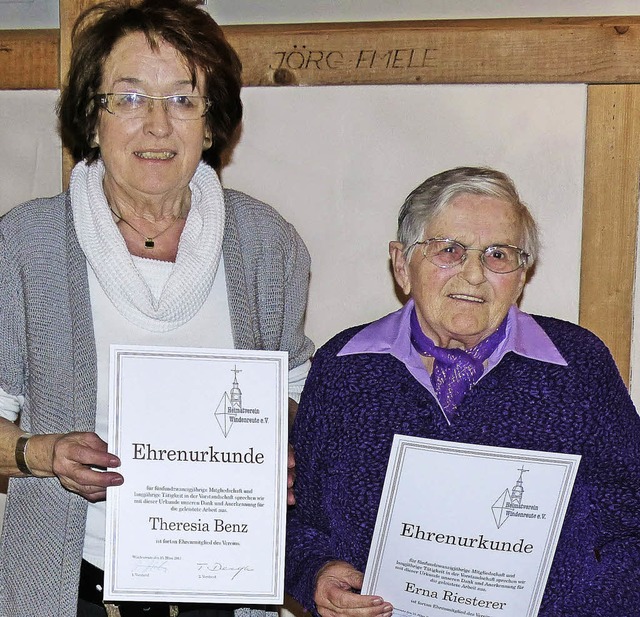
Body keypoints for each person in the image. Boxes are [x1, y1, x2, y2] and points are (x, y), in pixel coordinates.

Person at [0, 1, 313, 616]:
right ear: (91, 119)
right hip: (72, 586)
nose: (157, 126)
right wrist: (41, 454)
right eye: (130, 97)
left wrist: (272, 444)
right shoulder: (24, 246)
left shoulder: (266, 244)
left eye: (182, 99)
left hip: (225, 581)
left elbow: (294, 382)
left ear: (214, 122)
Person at [285, 166, 640, 617]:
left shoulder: (578, 367)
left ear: (521, 275)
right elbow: (296, 518)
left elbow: (631, 523)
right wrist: (313, 573)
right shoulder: (344, 367)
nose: (473, 274)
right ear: (401, 263)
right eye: (449, 250)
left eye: (498, 255)